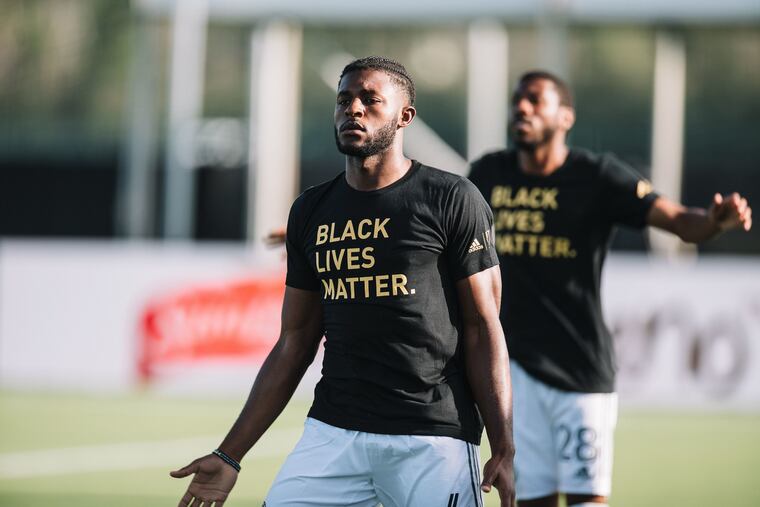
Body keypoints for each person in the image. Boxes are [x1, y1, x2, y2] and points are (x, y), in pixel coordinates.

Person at [171, 56, 516, 507]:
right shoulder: (311, 210)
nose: (353, 108)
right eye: (344, 99)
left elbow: (483, 327)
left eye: (370, 100)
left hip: (432, 438)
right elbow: (294, 341)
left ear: (404, 116)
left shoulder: (452, 198)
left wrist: (503, 445)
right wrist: (229, 454)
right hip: (332, 432)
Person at [467, 70, 753, 507]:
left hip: (579, 369)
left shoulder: (597, 177)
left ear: (565, 117)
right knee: (531, 500)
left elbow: (679, 221)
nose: (521, 107)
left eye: (535, 100)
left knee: (587, 501)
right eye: (517, 99)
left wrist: (714, 222)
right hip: (514, 371)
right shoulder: (488, 173)